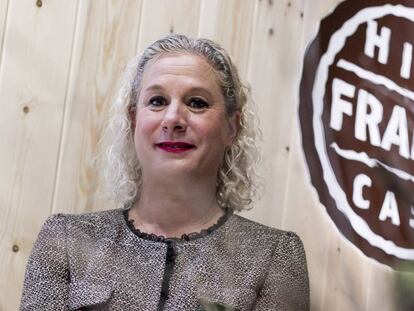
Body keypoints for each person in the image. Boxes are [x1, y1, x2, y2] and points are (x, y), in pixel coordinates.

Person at [20, 34, 310, 311]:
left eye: (197, 102)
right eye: (157, 101)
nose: (173, 118)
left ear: (231, 127)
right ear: (134, 121)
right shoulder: (66, 240)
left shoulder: (274, 255)